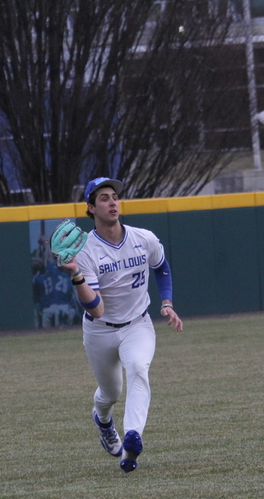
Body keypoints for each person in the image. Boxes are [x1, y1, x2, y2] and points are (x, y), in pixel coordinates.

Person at [59, 176, 183, 473]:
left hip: (138, 324)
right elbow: (97, 308)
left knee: (138, 368)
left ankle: (132, 439)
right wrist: (76, 275)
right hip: (100, 330)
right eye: (104, 198)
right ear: (91, 208)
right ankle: (103, 420)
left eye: (114, 197)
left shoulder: (144, 238)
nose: (112, 202)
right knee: (111, 393)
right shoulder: (85, 250)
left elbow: (161, 267)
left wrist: (167, 302)